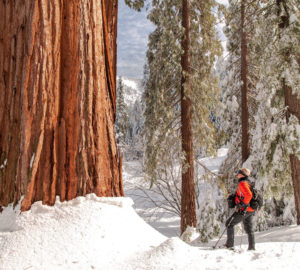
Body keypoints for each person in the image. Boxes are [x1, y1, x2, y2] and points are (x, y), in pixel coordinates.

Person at [225, 168, 256, 250]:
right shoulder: (248, 182)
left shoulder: (243, 183)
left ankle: (229, 245)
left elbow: (248, 195)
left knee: (229, 223)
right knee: (249, 228)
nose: (237, 174)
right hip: (250, 209)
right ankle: (252, 248)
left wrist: (242, 205)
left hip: (245, 209)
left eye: (239, 172)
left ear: (243, 174)